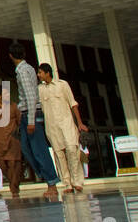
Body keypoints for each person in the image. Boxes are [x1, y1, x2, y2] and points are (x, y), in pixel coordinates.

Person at [8, 43, 59, 199]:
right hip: (27, 114)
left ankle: (51, 181)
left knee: (38, 150)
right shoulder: (26, 69)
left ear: (11, 56)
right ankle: (48, 178)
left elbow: (31, 96)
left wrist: (30, 121)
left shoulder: (23, 71)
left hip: (30, 114)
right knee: (27, 149)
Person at [37, 63, 88, 192]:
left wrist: (80, 123)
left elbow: (73, 104)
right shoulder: (40, 89)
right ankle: (67, 183)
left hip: (67, 122)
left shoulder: (62, 85)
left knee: (72, 149)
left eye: (40, 72)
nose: (38, 75)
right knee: (59, 154)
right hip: (51, 126)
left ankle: (77, 181)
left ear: (47, 73)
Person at [0, 101, 24, 198]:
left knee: (14, 163)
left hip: (12, 140)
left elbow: (20, 121)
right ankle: (13, 183)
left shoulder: (13, 107)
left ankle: (14, 189)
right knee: (2, 165)